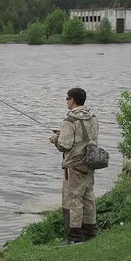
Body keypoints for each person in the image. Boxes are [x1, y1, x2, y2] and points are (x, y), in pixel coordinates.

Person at [50, 87, 99, 245]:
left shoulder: (70, 120)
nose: (66, 101)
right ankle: (90, 233)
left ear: (73, 100)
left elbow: (64, 145)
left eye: (67, 98)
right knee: (88, 197)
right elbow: (87, 137)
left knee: (74, 200)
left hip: (75, 166)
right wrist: (63, 133)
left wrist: (55, 138)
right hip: (90, 163)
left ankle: (74, 238)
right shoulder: (92, 117)